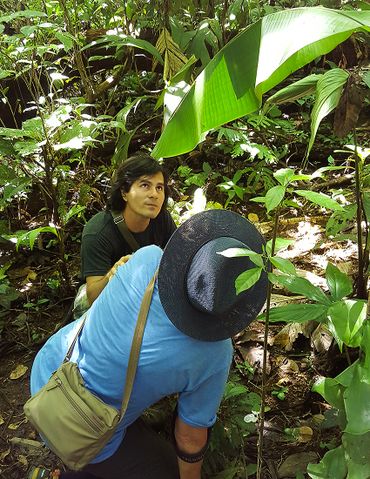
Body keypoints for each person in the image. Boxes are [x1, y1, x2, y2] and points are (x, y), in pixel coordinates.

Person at [28, 209, 268, 479]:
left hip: (47, 375)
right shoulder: (215, 353)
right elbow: (189, 440)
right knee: (165, 470)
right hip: (80, 430)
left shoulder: (147, 258)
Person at [74, 153, 176, 317]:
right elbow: (92, 297)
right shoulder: (98, 231)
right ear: (124, 192)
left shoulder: (162, 219)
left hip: (145, 289)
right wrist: (113, 274)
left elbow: (177, 261)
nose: (154, 194)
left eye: (159, 187)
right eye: (145, 185)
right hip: (107, 298)